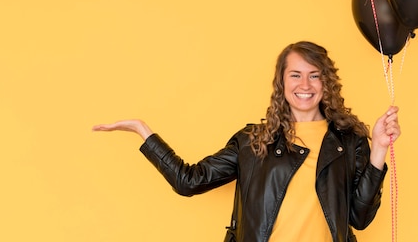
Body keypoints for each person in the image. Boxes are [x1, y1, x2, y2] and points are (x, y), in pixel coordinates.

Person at [93, 41, 401, 242]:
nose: (304, 85)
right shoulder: (254, 142)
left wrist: (379, 149)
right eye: (295, 75)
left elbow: (359, 220)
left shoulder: (349, 142)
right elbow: (189, 180)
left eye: (314, 75)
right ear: (282, 82)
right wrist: (142, 130)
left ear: (326, 82)